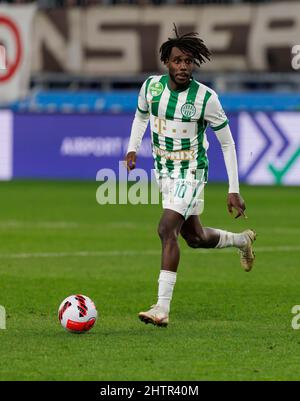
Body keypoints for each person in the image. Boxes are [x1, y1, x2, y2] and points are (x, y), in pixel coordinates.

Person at [125, 25, 256, 327]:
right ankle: (241, 241)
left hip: (192, 171)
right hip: (164, 171)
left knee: (165, 229)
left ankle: (161, 308)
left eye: (188, 61)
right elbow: (141, 115)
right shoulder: (150, 88)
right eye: (177, 61)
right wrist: (132, 149)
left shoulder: (206, 98)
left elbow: (227, 143)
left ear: (194, 63)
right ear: (167, 63)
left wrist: (233, 189)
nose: (183, 66)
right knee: (194, 238)